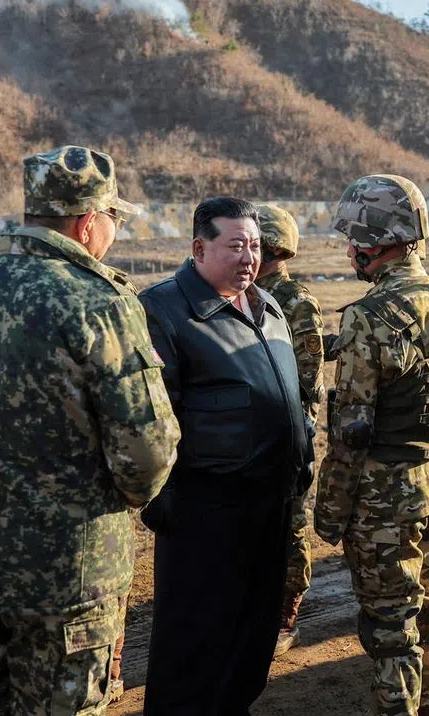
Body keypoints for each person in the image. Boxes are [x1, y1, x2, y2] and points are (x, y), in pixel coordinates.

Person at [0, 146, 180, 714]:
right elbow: (145, 452)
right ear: (88, 223)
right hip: (63, 574)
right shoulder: (97, 301)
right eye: (114, 218)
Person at [139, 197, 311, 716]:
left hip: (270, 504)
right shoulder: (165, 311)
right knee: (194, 647)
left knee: (252, 639)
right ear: (199, 249)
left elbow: (291, 397)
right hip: (204, 515)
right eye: (235, 246)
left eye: (255, 246)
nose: (248, 258)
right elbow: (152, 420)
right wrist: (167, 502)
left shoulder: (268, 307)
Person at [315, 174, 429, 716]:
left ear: (371, 243)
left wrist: (330, 511)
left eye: (351, 240)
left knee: (391, 629)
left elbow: (352, 431)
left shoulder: (368, 317)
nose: (348, 250)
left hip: (383, 497)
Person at [254, 203, 327, 658]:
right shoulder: (241, 293)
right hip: (250, 430)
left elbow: (308, 377)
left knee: (291, 522)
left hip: (287, 431)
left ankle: (286, 611)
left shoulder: (295, 301)